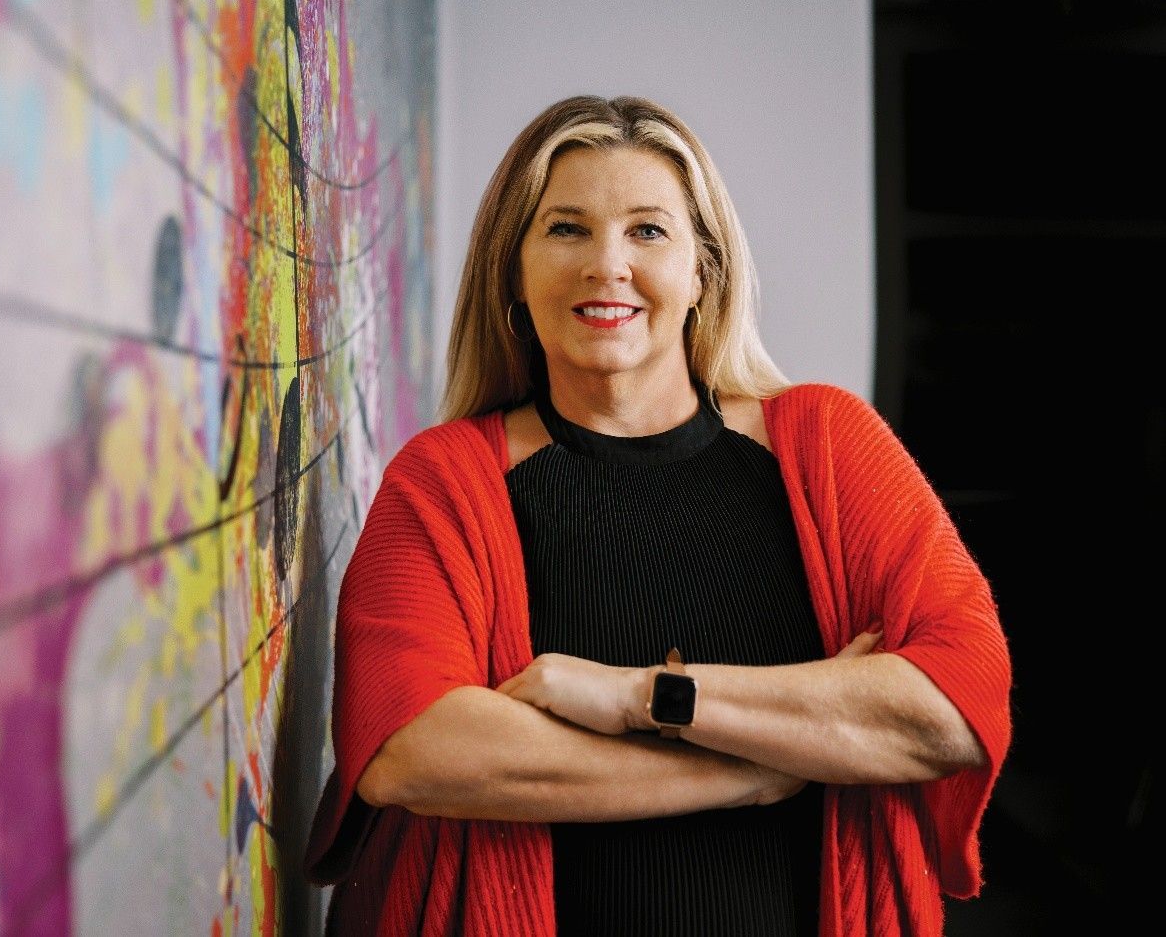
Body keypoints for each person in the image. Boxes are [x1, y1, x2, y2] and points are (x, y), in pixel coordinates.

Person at [302, 94, 1012, 936]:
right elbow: (411, 751)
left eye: (648, 230)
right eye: (566, 229)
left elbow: (954, 707)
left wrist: (645, 696)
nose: (608, 265)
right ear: (513, 274)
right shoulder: (446, 480)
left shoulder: (823, 446)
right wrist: (755, 766)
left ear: (702, 271)